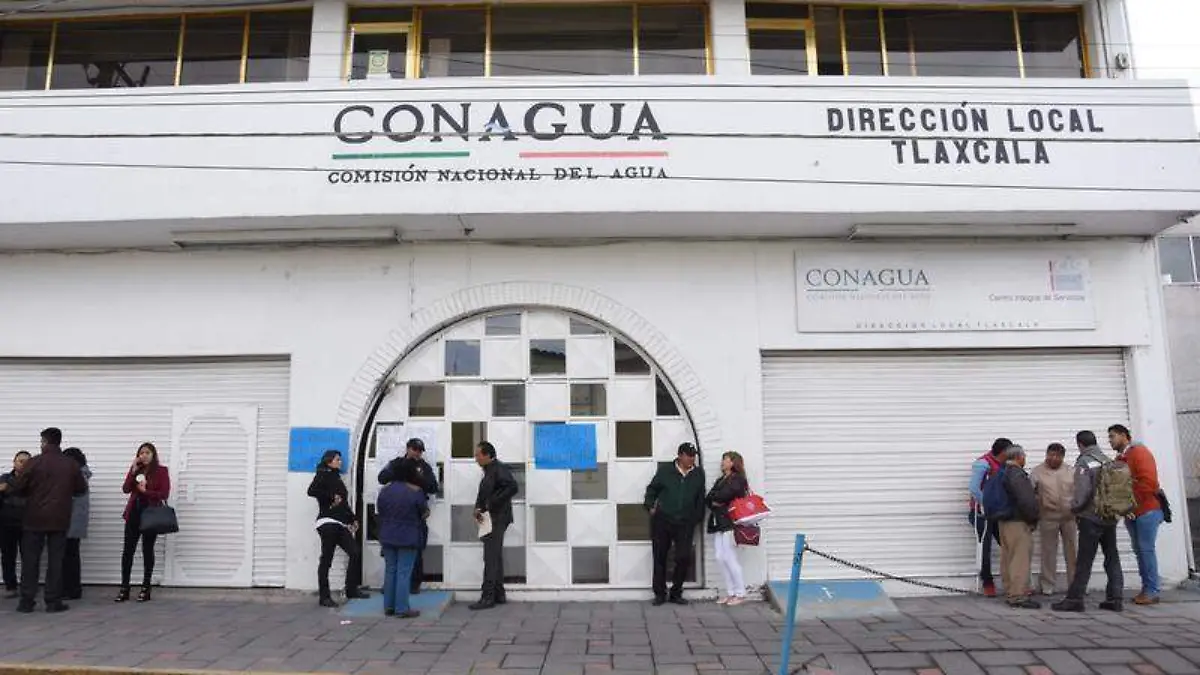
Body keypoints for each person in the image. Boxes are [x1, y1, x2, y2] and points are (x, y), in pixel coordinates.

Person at [15, 428, 88, 613]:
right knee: (56, 561)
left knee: (30, 560)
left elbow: (19, 486)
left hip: (34, 518)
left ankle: (26, 601)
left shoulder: (33, 462)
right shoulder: (70, 464)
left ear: (44, 442)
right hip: (59, 518)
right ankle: (53, 601)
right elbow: (81, 489)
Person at [1053, 431, 1124, 613]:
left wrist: (1074, 508)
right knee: (1112, 557)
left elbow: (1083, 492)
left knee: (1084, 560)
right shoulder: (1107, 460)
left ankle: (1075, 599)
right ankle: (1115, 598)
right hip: (1109, 516)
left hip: (1091, 518)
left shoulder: (1085, 462)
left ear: (1080, 444)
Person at [644, 442, 706, 606]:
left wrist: (696, 518)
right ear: (680, 456)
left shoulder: (698, 474)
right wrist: (650, 506)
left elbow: (700, 497)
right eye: (688, 455)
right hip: (663, 520)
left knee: (683, 557)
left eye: (693, 456)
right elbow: (652, 489)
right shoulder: (666, 471)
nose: (691, 459)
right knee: (660, 556)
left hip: (685, 523)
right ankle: (660, 594)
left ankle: (676, 593)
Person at [1110, 424, 1164, 605]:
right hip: (1133, 512)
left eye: (1112, 436)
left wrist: (1131, 504)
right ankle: (1147, 588)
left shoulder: (1139, 452)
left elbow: (1149, 482)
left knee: (1145, 550)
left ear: (1123, 435)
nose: (1110, 441)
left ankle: (1152, 590)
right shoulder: (1122, 457)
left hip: (1146, 510)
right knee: (1140, 550)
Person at [307, 450, 367, 608]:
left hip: (339, 523)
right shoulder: (323, 474)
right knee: (326, 560)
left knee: (355, 552)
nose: (340, 462)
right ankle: (324, 597)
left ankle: (351, 589)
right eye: (337, 459)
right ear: (329, 461)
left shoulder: (336, 477)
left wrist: (352, 518)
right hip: (327, 522)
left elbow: (343, 503)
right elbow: (311, 491)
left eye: (340, 459)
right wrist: (331, 497)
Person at [378, 438, 438, 594]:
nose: (417, 453)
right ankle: (391, 585)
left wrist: (417, 480)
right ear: (408, 448)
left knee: (416, 548)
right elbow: (382, 478)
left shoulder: (424, 467)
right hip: (396, 509)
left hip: (415, 510)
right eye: (415, 449)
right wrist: (399, 477)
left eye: (420, 451)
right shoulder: (396, 463)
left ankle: (413, 584)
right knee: (391, 550)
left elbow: (433, 487)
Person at [116, 442, 170, 603]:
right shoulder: (136, 470)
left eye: (147, 453)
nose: (144, 456)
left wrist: (147, 492)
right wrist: (133, 470)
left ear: (153, 454)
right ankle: (124, 588)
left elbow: (164, 493)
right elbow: (126, 489)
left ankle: (146, 588)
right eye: (141, 453)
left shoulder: (161, 471)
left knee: (147, 550)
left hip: (150, 514)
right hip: (134, 513)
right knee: (128, 551)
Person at [376, 458, 429, 618]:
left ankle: (388, 606)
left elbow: (380, 510)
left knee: (390, 570)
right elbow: (424, 512)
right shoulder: (415, 491)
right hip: (408, 535)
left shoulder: (385, 490)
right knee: (404, 572)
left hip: (387, 534)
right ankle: (402, 608)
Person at [470, 441, 518, 611]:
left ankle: (487, 597)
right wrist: (479, 508)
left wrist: (490, 504)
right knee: (494, 556)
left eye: (478, 455)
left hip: (497, 518)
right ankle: (499, 594)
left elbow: (512, 487)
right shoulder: (488, 471)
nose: (476, 458)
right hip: (490, 518)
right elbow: (484, 494)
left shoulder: (499, 469)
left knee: (490, 557)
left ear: (488, 455)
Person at [995, 445, 1040, 609]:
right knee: (1020, 559)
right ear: (1019, 457)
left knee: (1008, 558)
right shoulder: (1017, 474)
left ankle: (1010, 590)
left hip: (1004, 521)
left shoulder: (1001, 472)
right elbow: (1026, 500)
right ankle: (1018, 595)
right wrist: (1033, 518)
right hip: (1018, 521)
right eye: (1024, 456)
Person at [1031, 443, 1076, 595]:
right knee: (1048, 552)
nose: (1053, 458)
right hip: (1048, 517)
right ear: (1046, 454)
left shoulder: (1071, 471)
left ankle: (1075, 584)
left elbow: (1078, 491)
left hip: (1069, 517)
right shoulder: (1037, 472)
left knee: (1072, 552)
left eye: (1057, 456)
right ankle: (1047, 585)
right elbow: (1030, 493)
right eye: (1051, 455)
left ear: (1063, 457)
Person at [968, 438, 1012, 597]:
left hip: (999, 512)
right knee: (984, 548)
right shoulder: (983, 464)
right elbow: (974, 488)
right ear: (1003, 452)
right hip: (982, 513)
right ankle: (987, 582)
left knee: (1008, 545)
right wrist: (986, 504)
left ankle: (1014, 580)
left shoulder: (1005, 465)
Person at [705, 451, 749, 606]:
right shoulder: (721, 479)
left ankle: (740, 593)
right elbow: (709, 498)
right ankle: (730, 592)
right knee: (720, 557)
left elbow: (725, 495)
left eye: (725, 459)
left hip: (731, 523)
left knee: (730, 557)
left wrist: (718, 499)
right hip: (719, 523)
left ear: (733, 462)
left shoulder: (738, 479)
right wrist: (716, 500)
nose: (722, 462)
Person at [0, 451, 30, 599]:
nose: (23, 464)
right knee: (8, 557)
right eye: (20, 461)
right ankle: (10, 586)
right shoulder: (4, 477)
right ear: (14, 462)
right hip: (6, 524)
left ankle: (28, 587)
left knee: (29, 558)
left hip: (28, 525)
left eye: (26, 461)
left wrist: (9, 487)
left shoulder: (34, 480)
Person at [62, 447, 91, 601]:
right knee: (71, 556)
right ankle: (72, 589)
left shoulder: (77, 476)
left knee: (69, 557)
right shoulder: (81, 474)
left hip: (71, 521)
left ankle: (71, 590)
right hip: (75, 522)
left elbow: (68, 497)